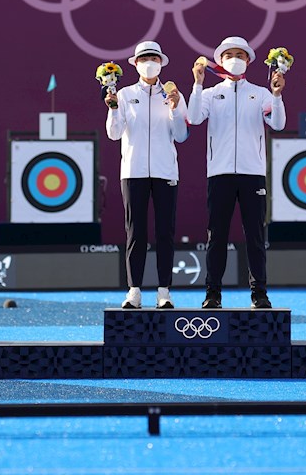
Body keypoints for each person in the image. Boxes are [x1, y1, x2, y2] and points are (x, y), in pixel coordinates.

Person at [187, 35, 286, 309]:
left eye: (240, 55)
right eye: (229, 55)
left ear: (248, 61)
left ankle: (260, 294)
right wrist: (196, 84)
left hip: (252, 174)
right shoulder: (209, 93)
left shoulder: (262, 93)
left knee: (255, 236)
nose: (235, 59)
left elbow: (277, 124)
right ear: (219, 61)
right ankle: (212, 295)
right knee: (216, 236)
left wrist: (277, 96)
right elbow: (194, 118)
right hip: (219, 174)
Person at [105, 41, 188, 309]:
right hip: (133, 171)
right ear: (136, 64)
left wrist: (175, 108)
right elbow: (114, 133)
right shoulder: (125, 94)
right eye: (144, 59)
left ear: (161, 62)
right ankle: (134, 291)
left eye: (153, 58)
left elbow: (182, 135)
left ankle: (164, 291)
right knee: (135, 232)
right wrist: (113, 108)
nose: (149, 62)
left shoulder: (173, 93)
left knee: (165, 232)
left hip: (165, 171)